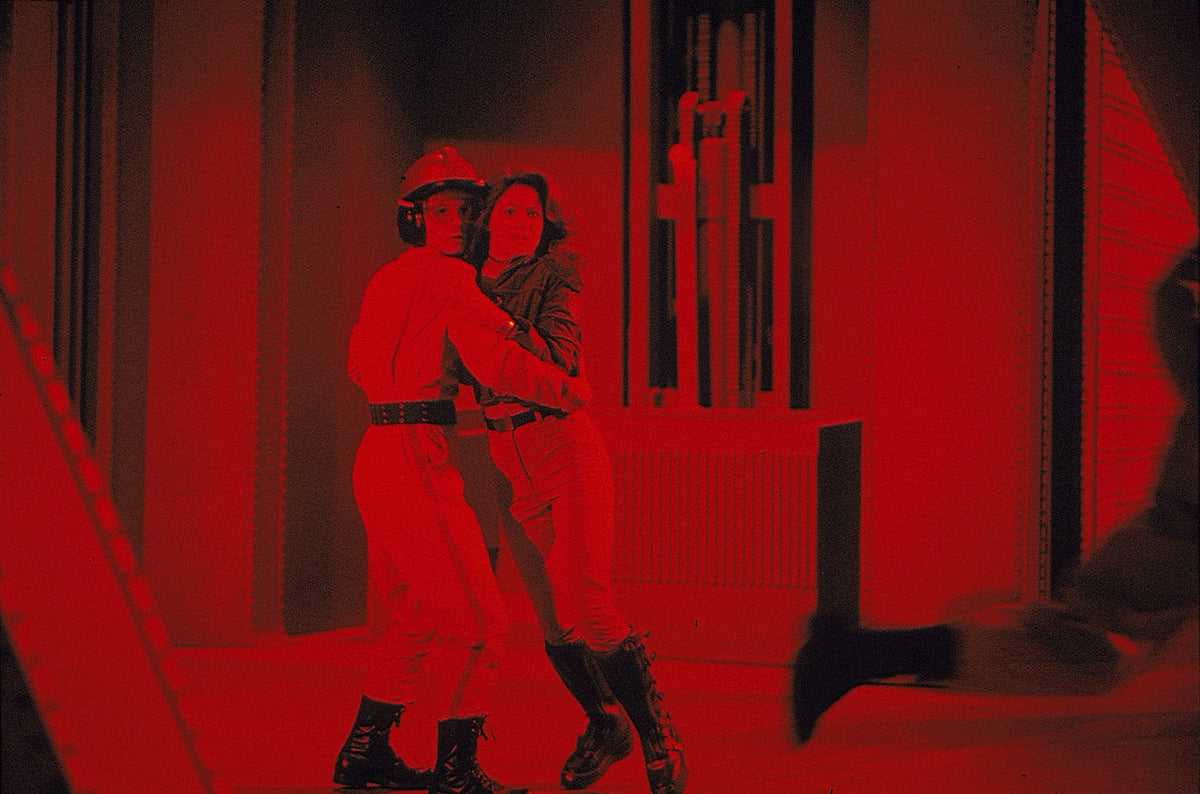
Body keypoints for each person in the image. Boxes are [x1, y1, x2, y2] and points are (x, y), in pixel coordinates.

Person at [790, 243, 1199, 745]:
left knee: (1076, 649)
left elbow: (1172, 312)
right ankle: (857, 654)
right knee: (1076, 652)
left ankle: (860, 653)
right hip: (1178, 549)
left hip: (1167, 541)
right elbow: (1174, 315)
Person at [334, 147, 593, 794]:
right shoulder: (455, 280)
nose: (457, 223)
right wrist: (568, 391)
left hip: (376, 452)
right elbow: (499, 363)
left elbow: (357, 365)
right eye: (442, 211)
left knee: (414, 618)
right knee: (480, 623)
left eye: (466, 211)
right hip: (417, 453)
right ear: (416, 217)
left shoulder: (384, 279)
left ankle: (364, 752)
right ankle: (457, 773)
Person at [463, 171, 688, 794]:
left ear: (546, 226)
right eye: (510, 212)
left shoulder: (552, 276)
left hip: (560, 443)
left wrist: (495, 320)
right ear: (488, 219)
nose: (521, 224)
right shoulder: (461, 279)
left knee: (590, 606)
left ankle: (658, 738)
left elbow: (561, 361)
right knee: (555, 619)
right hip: (506, 457)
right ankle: (605, 724)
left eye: (532, 215)